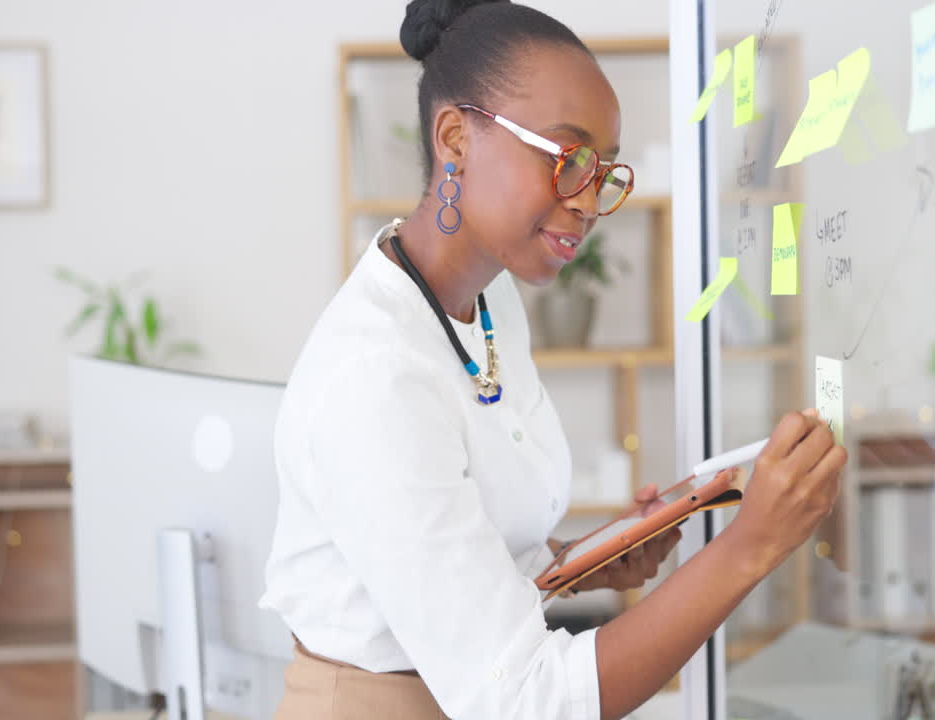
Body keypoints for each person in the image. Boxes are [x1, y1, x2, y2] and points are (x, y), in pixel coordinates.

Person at [258, 1, 847, 718]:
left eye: (603, 171)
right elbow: (525, 700)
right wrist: (750, 547)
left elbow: (462, 551)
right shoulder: (376, 376)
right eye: (569, 160)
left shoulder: (489, 300)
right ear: (455, 138)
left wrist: (584, 559)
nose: (590, 201)